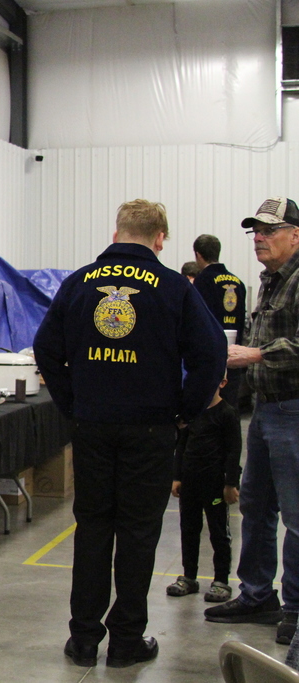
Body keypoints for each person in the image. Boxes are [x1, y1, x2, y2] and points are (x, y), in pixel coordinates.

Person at [33, 199, 225, 669]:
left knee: (93, 526)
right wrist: (185, 409)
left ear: (116, 233)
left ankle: (82, 639)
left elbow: (45, 348)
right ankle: (125, 641)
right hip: (151, 426)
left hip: (93, 424)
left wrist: (72, 403)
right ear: (160, 238)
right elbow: (212, 354)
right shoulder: (176, 287)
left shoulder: (78, 283)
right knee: (139, 531)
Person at [204, 197, 299, 646]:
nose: (259, 237)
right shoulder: (269, 281)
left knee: (297, 515)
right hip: (264, 408)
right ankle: (258, 594)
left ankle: (296, 608)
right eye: (255, 231)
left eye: (269, 230)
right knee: (257, 505)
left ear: (295, 234)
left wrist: (257, 354)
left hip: (293, 409)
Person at [165, 373, 241, 603]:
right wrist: (176, 477)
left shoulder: (227, 414)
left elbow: (233, 451)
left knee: (218, 532)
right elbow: (182, 445)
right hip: (190, 484)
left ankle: (221, 580)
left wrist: (230, 483)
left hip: (215, 486)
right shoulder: (193, 412)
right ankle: (189, 576)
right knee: (189, 529)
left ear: (222, 383)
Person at [191, 234, 247, 407]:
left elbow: (198, 320)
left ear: (198, 255)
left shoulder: (203, 281)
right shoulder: (238, 282)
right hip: (234, 355)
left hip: (211, 356)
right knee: (230, 407)